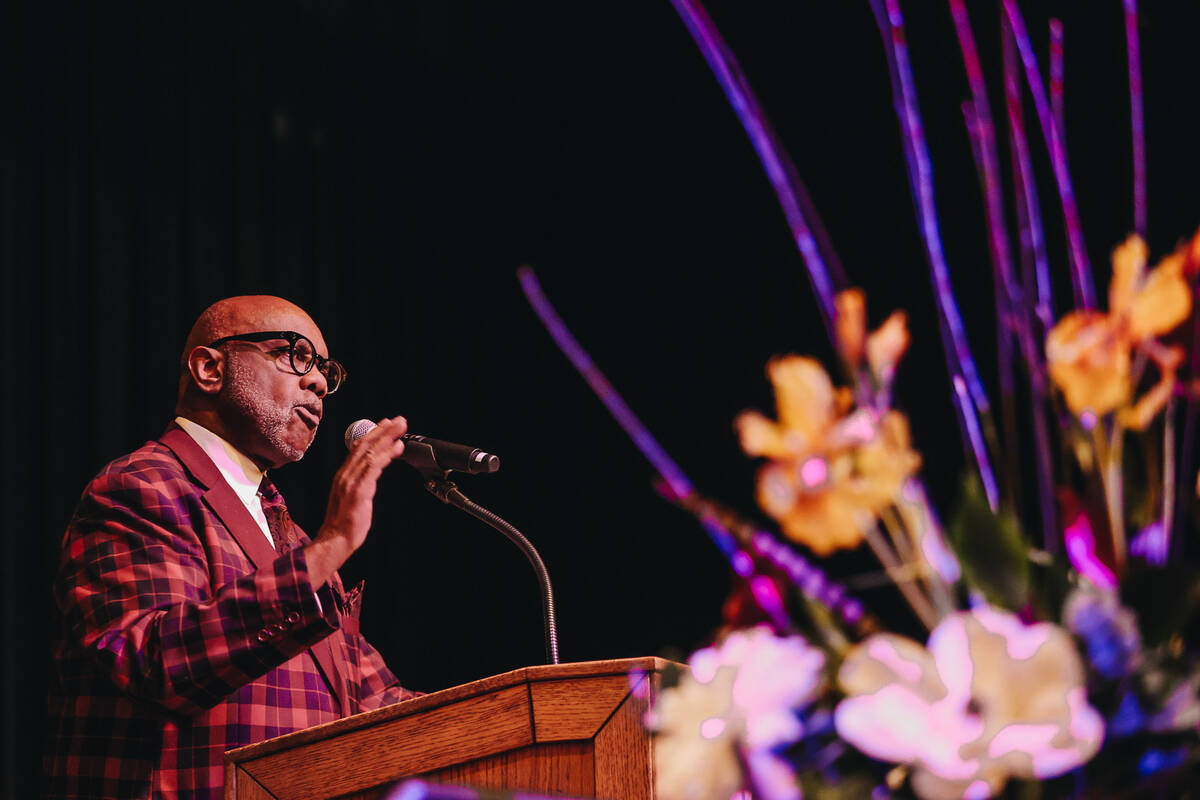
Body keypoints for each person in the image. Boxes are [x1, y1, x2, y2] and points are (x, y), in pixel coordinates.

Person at [45, 295, 418, 800]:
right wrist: (332, 546)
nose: (320, 383)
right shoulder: (140, 486)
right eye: (296, 355)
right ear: (209, 367)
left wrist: (528, 714)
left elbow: (378, 703)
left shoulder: (292, 537)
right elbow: (157, 662)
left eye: (327, 371)